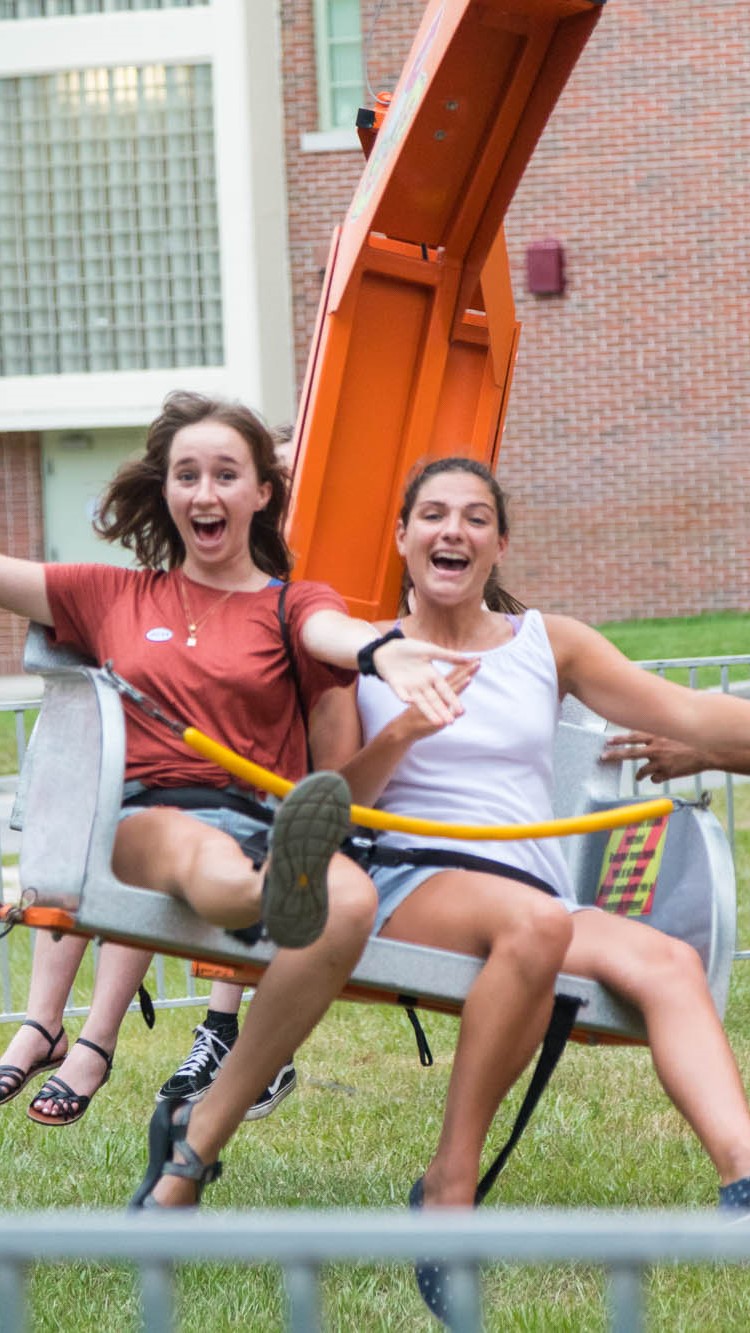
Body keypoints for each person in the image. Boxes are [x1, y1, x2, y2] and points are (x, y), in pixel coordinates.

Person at [337, 456, 750, 1323]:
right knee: (532, 925)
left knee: (668, 961)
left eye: (476, 517)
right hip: (416, 879)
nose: (454, 530)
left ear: (499, 542)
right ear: (402, 536)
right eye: (435, 515)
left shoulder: (546, 642)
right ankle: (450, 1186)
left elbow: (697, 718)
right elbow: (332, 803)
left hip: (536, 894)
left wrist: (714, 743)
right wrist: (408, 723)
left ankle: (744, 1182)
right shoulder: (360, 651)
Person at [0, 391, 472, 1141]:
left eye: (226, 474)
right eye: (186, 475)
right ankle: (270, 894)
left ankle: (207, 1118)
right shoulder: (110, 592)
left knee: (338, 891)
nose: (205, 492)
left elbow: (329, 630)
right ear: (166, 492)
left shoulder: (292, 605)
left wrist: (381, 650)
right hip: (151, 817)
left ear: (262, 492)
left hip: (263, 818)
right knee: (199, 848)